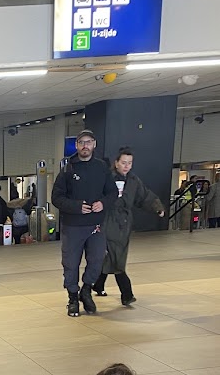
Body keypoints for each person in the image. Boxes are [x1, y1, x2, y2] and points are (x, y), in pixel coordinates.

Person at [51, 129, 118, 318]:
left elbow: (112, 193)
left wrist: (102, 204)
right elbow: (56, 198)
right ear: (77, 145)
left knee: (97, 260)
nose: (85, 146)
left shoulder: (102, 168)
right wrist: (76, 207)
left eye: (88, 142)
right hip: (73, 226)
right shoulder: (68, 169)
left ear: (94, 144)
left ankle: (86, 290)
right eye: (81, 142)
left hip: (96, 225)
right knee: (70, 264)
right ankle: (73, 297)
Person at [92, 147, 165, 306]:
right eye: (123, 162)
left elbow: (144, 196)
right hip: (107, 220)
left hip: (124, 224)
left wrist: (157, 207)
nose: (126, 166)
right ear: (116, 163)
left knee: (111, 256)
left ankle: (98, 284)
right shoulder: (106, 178)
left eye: (129, 163)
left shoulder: (133, 181)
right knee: (115, 256)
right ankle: (127, 294)